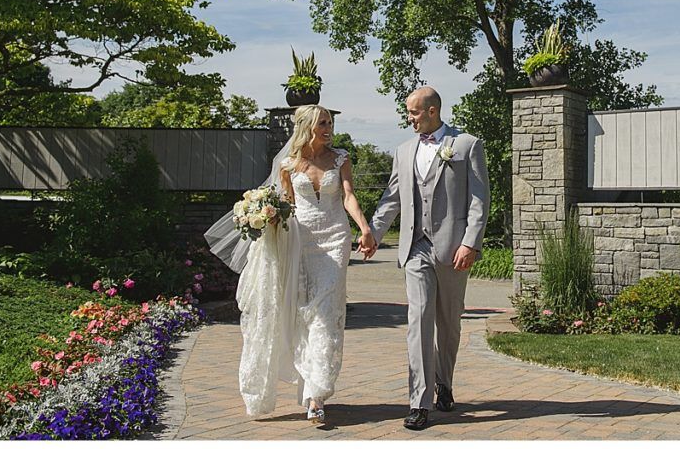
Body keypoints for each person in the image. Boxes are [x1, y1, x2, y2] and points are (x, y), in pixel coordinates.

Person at [204, 105, 377, 426]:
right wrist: (263, 216)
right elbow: (284, 205)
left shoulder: (341, 158)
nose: (328, 128)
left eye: (330, 122)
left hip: (335, 237)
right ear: (307, 127)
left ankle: (316, 395)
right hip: (301, 240)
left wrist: (364, 228)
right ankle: (307, 383)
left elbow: (349, 196)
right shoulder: (287, 164)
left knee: (325, 313)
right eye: (322, 123)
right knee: (303, 312)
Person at [366, 86, 489, 431]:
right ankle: (419, 401)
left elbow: (479, 200)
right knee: (418, 320)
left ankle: (444, 383)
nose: (409, 118)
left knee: (449, 322)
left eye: (414, 113)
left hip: (453, 249)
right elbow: (392, 198)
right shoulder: (404, 151)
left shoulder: (466, 145)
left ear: (432, 111)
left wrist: (470, 243)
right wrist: (373, 234)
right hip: (415, 248)